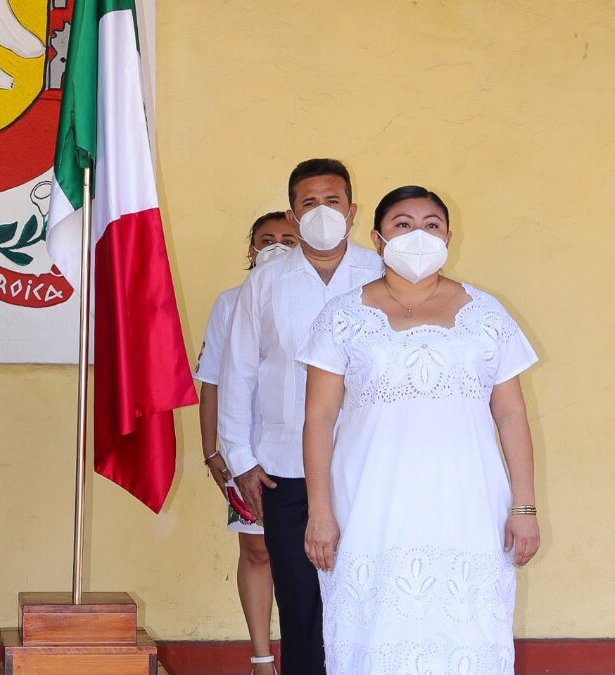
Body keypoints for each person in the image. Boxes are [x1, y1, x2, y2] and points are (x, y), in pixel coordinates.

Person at [299, 186, 540, 673]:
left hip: (468, 506)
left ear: (448, 237)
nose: (419, 235)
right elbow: (319, 418)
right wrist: (319, 510)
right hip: (369, 505)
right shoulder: (343, 316)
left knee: (466, 632)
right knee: (373, 632)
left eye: (431, 225)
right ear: (377, 238)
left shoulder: (486, 314)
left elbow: (512, 414)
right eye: (403, 225)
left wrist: (524, 507)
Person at [218, 159, 383, 674]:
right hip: (283, 468)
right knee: (301, 605)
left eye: (332, 201)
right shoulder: (266, 283)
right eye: (309, 203)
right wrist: (241, 459)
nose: (322, 212)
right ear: (293, 215)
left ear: (352, 211)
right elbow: (238, 370)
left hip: (367, 465)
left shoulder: (382, 276)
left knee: (366, 601)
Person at [196, 211, 296, 674]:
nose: (275, 247)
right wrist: (212, 452)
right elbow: (212, 381)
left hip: (310, 452)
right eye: (266, 239)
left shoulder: (324, 298)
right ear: (251, 249)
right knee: (257, 551)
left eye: (287, 240)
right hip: (249, 454)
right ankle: (261, 659)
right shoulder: (230, 302)